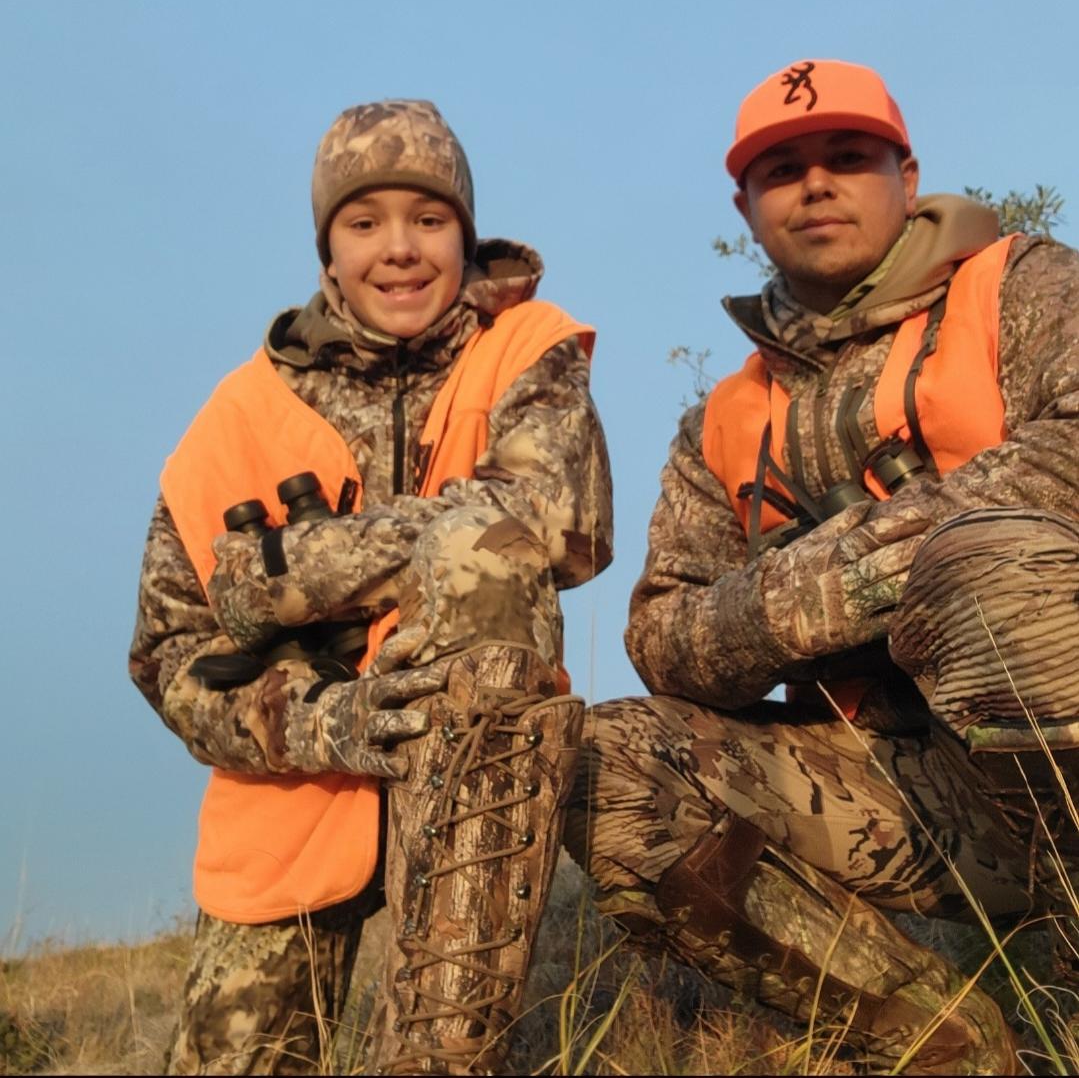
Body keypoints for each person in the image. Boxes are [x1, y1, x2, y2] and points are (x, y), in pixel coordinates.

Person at [566, 58, 1079, 1075]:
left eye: (846, 157)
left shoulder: (1023, 284)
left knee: (988, 566)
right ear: (744, 206)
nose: (815, 184)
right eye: (781, 169)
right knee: (603, 762)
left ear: (905, 172)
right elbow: (662, 639)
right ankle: (937, 1044)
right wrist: (822, 591)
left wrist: (868, 557)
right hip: (913, 787)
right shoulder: (718, 421)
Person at [131, 100, 613, 1075]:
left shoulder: (524, 343)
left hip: (473, 771)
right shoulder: (238, 414)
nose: (399, 249)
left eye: (428, 220)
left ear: (464, 233)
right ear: (327, 248)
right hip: (289, 796)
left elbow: (557, 515)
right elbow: (172, 654)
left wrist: (295, 574)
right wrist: (320, 722)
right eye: (364, 223)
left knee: (438, 1059)